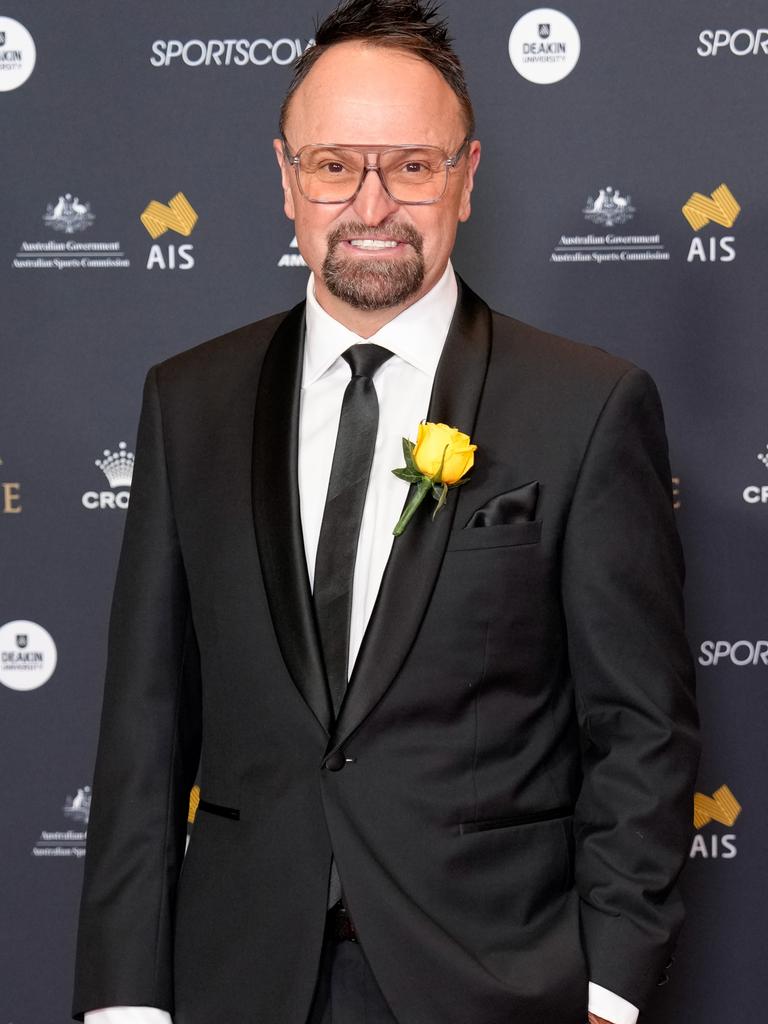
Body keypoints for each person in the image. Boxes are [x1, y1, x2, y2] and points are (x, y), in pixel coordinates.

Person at [72, 2, 700, 1023]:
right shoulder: (188, 401)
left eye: (412, 166)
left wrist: (610, 986)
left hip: (495, 980)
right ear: (286, 178)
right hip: (235, 977)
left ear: (465, 175)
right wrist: (124, 999)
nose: (372, 202)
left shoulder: (585, 405)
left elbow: (640, 725)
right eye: (334, 166)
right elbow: (144, 724)